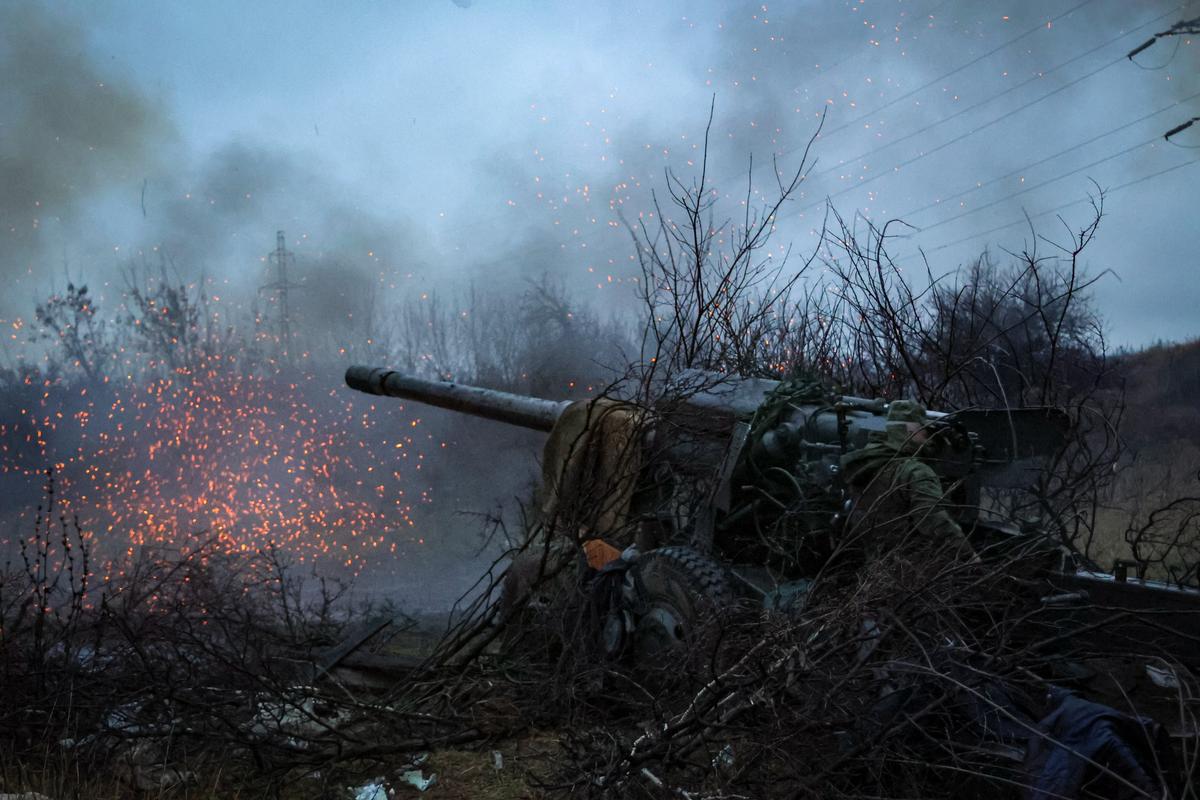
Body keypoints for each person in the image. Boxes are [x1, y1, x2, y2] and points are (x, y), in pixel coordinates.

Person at [838, 399, 976, 565]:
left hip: (874, 567)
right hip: (911, 569)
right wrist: (969, 556)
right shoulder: (914, 471)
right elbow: (933, 520)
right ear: (909, 429)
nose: (927, 435)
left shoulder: (866, 463)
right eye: (923, 429)